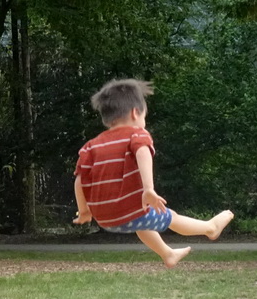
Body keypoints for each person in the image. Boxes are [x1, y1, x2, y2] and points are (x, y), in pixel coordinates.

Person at [73, 78, 234, 267]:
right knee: (170, 216)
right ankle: (210, 228)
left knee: (143, 220)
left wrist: (84, 211)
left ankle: (168, 254)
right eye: (144, 117)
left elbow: (80, 179)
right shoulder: (137, 134)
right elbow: (142, 152)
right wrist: (148, 189)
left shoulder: (90, 146)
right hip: (129, 213)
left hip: (105, 219)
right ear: (135, 113)